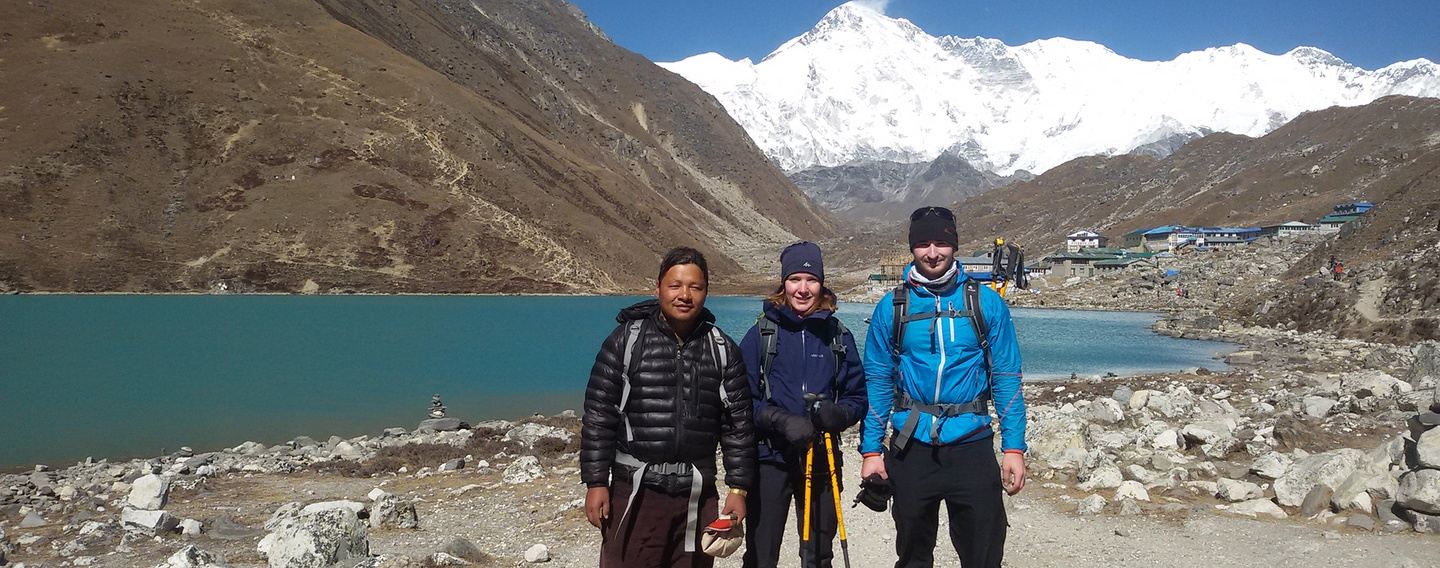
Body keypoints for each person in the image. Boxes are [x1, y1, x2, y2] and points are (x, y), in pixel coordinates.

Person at [859, 206, 1027, 568]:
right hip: (911, 446)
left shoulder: (985, 303)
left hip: (972, 445)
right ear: (912, 248)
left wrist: (1014, 447)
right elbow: (877, 382)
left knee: (983, 553)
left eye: (940, 243)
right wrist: (871, 451)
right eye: (922, 244)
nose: (932, 253)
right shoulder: (892, 307)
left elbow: (1007, 377)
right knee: (913, 555)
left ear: (954, 245)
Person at [581, 247, 757, 568]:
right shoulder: (625, 342)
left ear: (706, 291)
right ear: (658, 288)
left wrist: (738, 489)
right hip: (636, 491)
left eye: (695, 286)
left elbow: (739, 427)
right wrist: (595, 482)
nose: (684, 295)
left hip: (697, 493)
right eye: (675, 285)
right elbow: (598, 416)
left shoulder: (722, 349)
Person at [738, 242, 866, 568]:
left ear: (822, 284)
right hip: (771, 457)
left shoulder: (839, 336)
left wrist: (839, 415)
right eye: (795, 279)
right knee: (761, 553)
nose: (803, 289)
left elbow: (857, 397)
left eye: (811, 280)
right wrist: (780, 420)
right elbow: (743, 400)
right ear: (784, 283)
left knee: (818, 554)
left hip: (821, 456)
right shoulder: (761, 335)